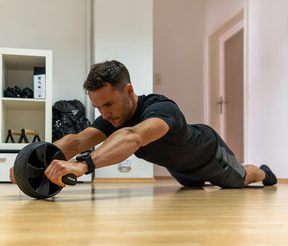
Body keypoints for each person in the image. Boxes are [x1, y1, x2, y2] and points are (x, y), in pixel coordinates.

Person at [10, 60, 277, 188]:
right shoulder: (112, 117)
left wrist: (82, 165)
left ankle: (265, 172)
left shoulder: (161, 110)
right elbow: (79, 139)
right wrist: (33, 161)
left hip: (209, 155)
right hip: (181, 169)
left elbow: (134, 137)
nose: (104, 113)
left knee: (242, 178)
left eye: (109, 104)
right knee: (193, 188)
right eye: (98, 107)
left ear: (128, 91)